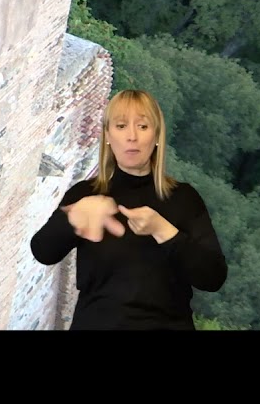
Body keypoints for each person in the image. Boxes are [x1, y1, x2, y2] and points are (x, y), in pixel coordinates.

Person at [30, 89, 227, 329]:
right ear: (108, 135)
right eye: (121, 126)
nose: (131, 136)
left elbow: (213, 277)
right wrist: (73, 217)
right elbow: (43, 252)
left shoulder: (184, 198)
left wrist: (164, 231)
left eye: (142, 127)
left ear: (156, 136)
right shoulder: (85, 194)